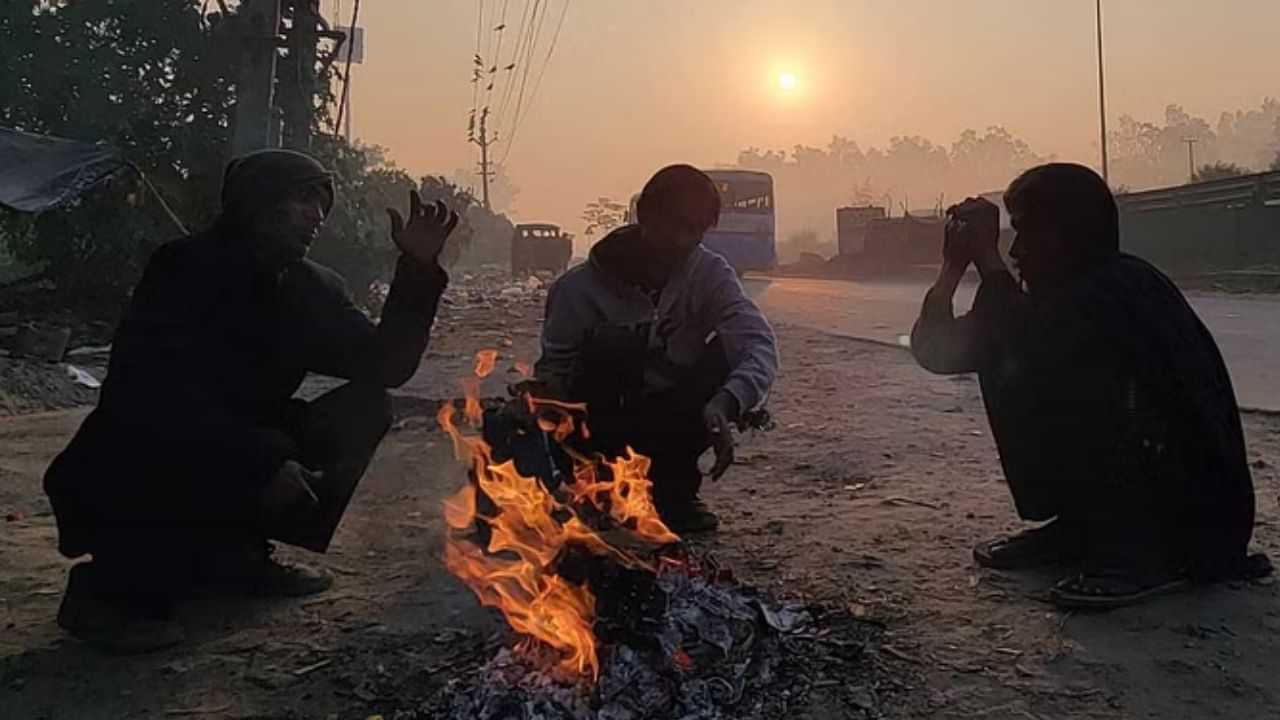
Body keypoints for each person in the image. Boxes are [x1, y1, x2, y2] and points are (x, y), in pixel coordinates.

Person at [44, 149, 459, 651]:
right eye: (302, 198)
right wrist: (261, 459)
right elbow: (153, 397)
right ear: (255, 202)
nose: (317, 215)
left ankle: (236, 557)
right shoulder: (183, 269)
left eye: (322, 203)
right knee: (149, 453)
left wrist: (416, 270)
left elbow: (385, 366)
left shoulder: (310, 287)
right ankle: (103, 593)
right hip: (145, 452)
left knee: (366, 407)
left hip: (242, 445)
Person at [910, 162, 1268, 610]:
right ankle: (1084, 529)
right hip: (1132, 504)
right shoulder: (1044, 303)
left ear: (1069, 234)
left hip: (1197, 521)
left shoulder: (1121, 287)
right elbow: (939, 352)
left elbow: (1044, 346)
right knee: (1008, 352)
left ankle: (1147, 556)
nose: (1017, 251)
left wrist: (989, 262)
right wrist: (952, 268)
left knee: (1049, 369)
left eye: (1029, 233)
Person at [532, 164, 779, 533]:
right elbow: (555, 375)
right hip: (602, 422)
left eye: (694, 230)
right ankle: (601, 489)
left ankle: (675, 493)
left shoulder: (710, 274)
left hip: (676, 416)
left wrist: (726, 403)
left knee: (728, 356)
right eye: (674, 225)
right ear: (644, 216)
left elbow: (757, 343)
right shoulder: (577, 291)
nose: (682, 240)